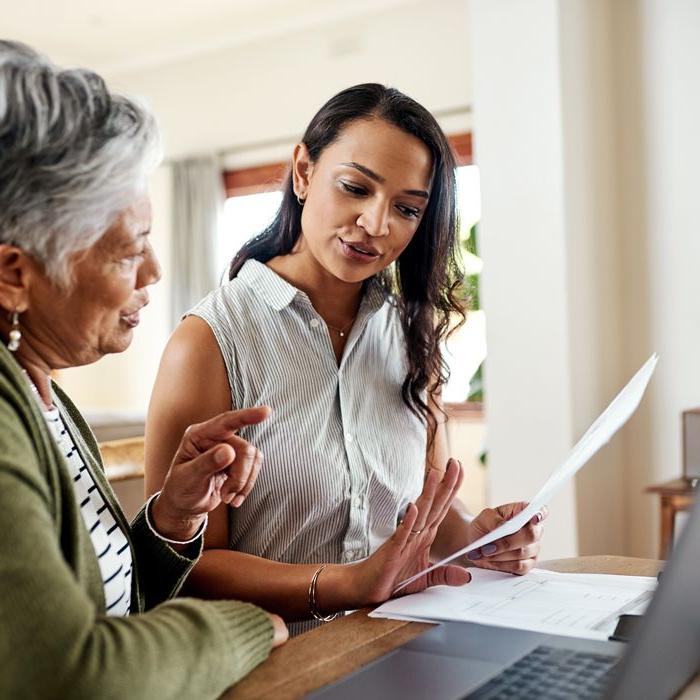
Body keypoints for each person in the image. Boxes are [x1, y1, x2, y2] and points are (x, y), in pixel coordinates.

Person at [145, 83, 547, 635]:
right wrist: (346, 583)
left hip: (404, 649)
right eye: (356, 187)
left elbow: (424, 510)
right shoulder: (209, 341)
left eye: (406, 208)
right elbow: (183, 567)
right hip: (277, 664)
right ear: (304, 172)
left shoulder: (411, 332)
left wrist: (481, 539)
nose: (377, 225)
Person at [0, 41, 289, 699]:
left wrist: (172, 520)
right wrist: (239, 629)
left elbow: (109, 609)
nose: (155, 273)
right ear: (14, 274)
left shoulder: (46, 395)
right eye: (129, 251)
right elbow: (69, 674)